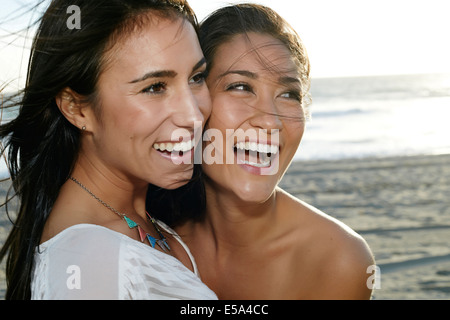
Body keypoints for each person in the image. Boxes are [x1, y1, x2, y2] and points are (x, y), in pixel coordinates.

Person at [150, 3, 375, 299]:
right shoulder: (148, 238)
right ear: (194, 102)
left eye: (288, 94)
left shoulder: (337, 261)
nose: (271, 121)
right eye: (241, 87)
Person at [0, 0, 218, 300]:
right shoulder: (88, 262)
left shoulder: (136, 216)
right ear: (77, 108)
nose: (193, 116)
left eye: (196, 77)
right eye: (155, 87)